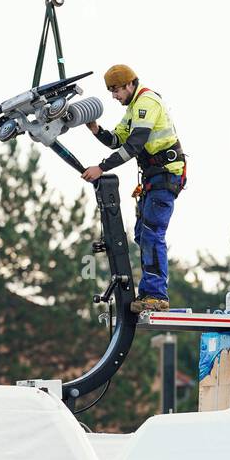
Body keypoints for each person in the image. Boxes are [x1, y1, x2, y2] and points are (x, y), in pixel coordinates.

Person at [82, 63, 186, 313]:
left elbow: (134, 145)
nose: (114, 96)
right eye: (111, 92)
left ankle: (156, 295)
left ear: (130, 84)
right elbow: (117, 139)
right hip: (153, 179)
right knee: (142, 234)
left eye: (116, 90)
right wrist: (96, 129)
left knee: (152, 233)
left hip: (166, 176)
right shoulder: (132, 108)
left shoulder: (146, 102)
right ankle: (150, 291)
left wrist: (102, 167)